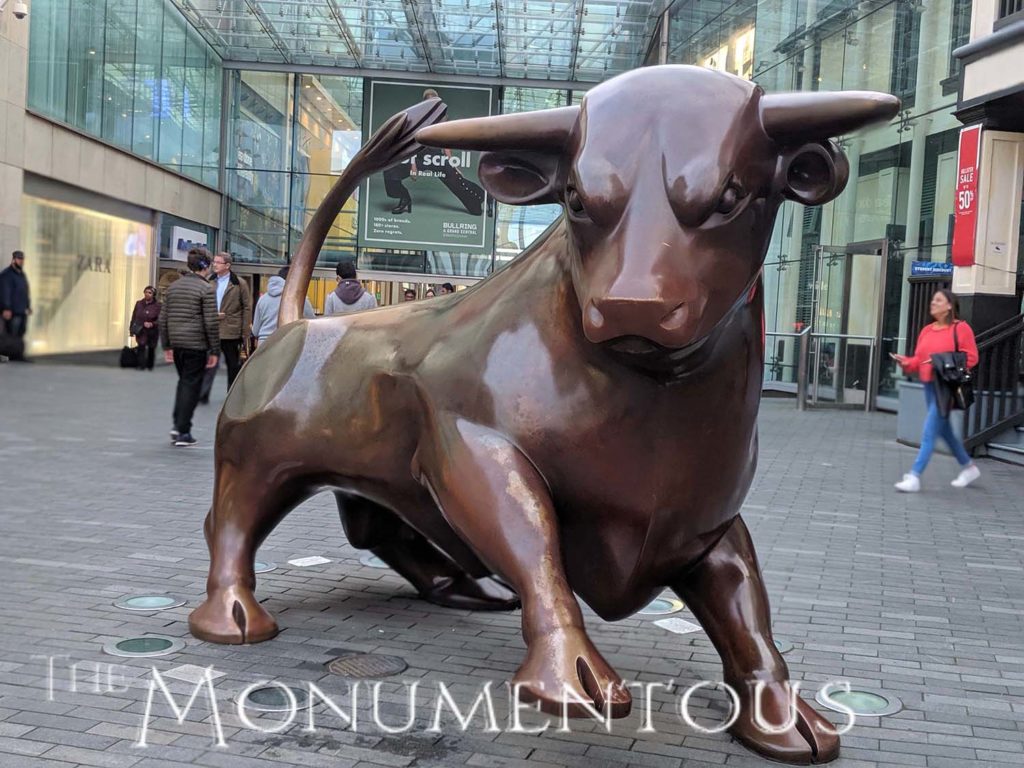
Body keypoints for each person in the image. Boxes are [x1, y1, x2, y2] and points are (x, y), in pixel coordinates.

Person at [891, 289, 981, 491]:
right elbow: (918, 361)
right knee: (944, 431)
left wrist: (942, 359)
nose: (933, 303)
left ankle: (914, 476)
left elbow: (972, 357)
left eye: (938, 300)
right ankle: (968, 467)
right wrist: (905, 362)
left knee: (930, 431)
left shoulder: (961, 329)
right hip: (929, 386)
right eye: (933, 300)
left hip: (947, 386)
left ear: (950, 305)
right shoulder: (927, 330)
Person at [381, 88, 485, 216]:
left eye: (434, 102)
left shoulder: (443, 119)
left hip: (436, 158)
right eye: (428, 102)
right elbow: (411, 143)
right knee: (390, 171)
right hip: (418, 157)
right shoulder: (416, 118)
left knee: (460, 184)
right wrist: (413, 165)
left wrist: (452, 163)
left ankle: (481, 196)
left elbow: (446, 144)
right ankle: (404, 198)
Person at [160, 248, 219, 447]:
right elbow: (211, 322)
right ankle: (182, 430)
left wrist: (167, 345)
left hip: (177, 344)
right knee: (191, 385)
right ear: (205, 266)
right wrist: (214, 350)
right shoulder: (206, 289)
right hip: (196, 344)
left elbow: (163, 318)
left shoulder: (174, 287)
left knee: (184, 382)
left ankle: (178, 425)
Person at [199, 252, 253, 403]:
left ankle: (232, 395)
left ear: (227, 265)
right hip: (211, 329)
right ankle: (203, 393)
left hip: (231, 330)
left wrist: (245, 331)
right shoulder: (208, 281)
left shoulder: (239, 283)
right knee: (208, 363)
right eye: (214, 262)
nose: (214, 264)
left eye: (218, 262)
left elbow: (246, 307)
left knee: (232, 365)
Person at [251, 266, 315, 346]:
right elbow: (312, 322)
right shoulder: (299, 298)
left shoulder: (263, 299)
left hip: (264, 345)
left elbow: (255, 331)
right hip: (286, 345)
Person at [0, 251, 31, 361]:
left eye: (22, 259)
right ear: (13, 259)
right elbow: (5, 292)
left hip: (21, 310)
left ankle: (18, 355)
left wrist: (28, 306)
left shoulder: (21, 275)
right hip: (12, 311)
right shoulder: (7, 275)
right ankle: (12, 356)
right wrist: (6, 308)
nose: (21, 261)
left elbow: (25, 291)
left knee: (20, 333)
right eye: (19, 259)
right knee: (11, 334)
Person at [129, 286, 161, 370]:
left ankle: (150, 365)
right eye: (146, 292)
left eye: (149, 293)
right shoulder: (139, 303)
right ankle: (141, 365)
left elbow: (161, 319)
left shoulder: (158, 306)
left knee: (151, 348)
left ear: (153, 295)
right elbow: (134, 316)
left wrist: (152, 324)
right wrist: (131, 329)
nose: (147, 294)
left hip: (152, 331)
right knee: (141, 346)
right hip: (141, 329)